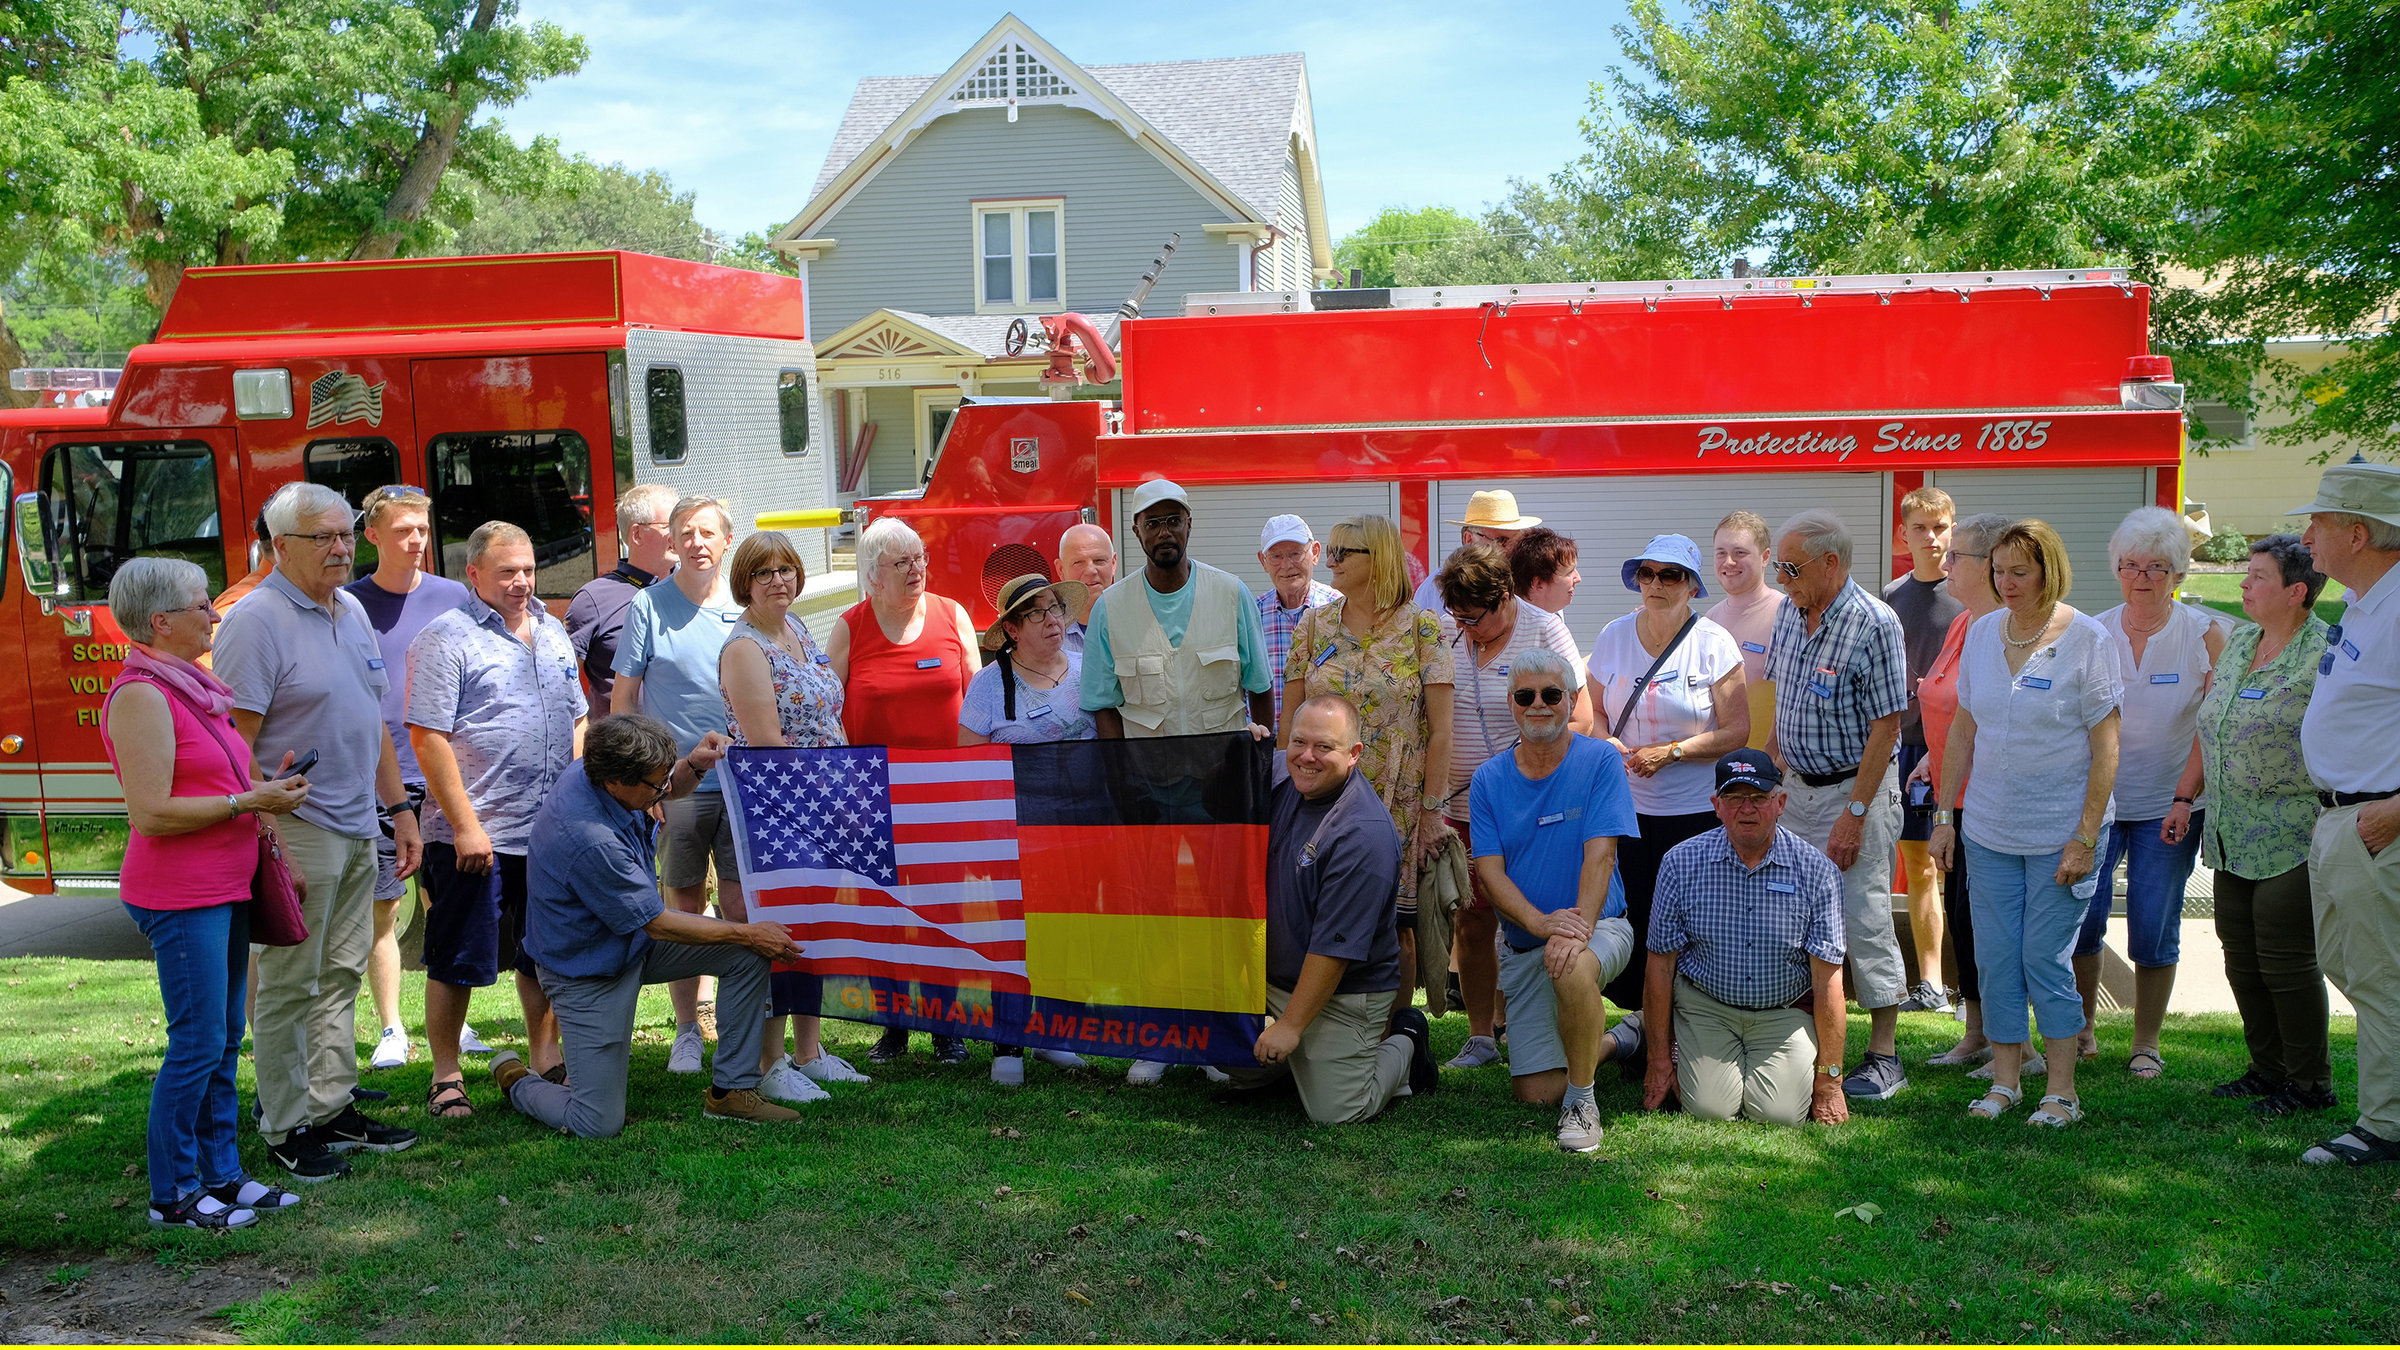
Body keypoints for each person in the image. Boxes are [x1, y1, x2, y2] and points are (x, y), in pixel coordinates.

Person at [212, 482, 422, 1182]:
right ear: (280, 547)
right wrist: (266, 838)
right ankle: (283, 1123)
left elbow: (375, 721)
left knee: (339, 977)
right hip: (296, 829)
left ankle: (331, 1107)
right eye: (324, 538)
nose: (342, 548)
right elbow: (232, 748)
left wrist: (399, 811)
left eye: (346, 533)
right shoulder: (256, 620)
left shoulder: (351, 607)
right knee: (289, 984)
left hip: (360, 824)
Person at [103, 558, 312, 1228]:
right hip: (180, 892)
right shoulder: (142, 695)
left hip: (224, 885)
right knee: (196, 1042)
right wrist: (248, 800)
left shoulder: (194, 685)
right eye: (202, 606)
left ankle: (224, 1173)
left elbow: (229, 777)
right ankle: (174, 1194)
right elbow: (152, 813)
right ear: (161, 622)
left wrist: (265, 800)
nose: (216, 615)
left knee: (223, 1039)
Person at [502, 715, 807, 1135]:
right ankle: (518, 1082)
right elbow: (659, 923)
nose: (666, 790)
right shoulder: (588, 837)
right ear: (616, 782)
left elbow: (659, 789)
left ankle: (733, 1092)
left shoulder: (598, 769)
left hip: (630, 940)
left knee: (747, 953)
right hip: (587, 970)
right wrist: (747, 930)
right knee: (595, 1122)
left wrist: (695, 765)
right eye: (657, 783)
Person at [1928, 519, 2121, 1129]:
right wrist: (1944, 815)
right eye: (1999, 571)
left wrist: (2086, 835)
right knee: (1995, 958)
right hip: (1988, 829)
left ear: (2050, 572)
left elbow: (2107, 745)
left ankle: (2061, 1091)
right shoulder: (1983, 633)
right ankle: (2006, 1081)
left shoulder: (2087, 638)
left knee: (2044, 957)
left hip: (2063, 833)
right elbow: (1963, 729)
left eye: (2020, 572)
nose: (2006, 583)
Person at [405, 522, 586, 1118]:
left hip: (550, 833)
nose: (520, 582)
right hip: (475, 833)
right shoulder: (446, 637)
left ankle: (544, 1055)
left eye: (528, 569)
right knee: (457, 956)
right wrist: (465, 825)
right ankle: (445, 1073)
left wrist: (577, 803)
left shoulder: (554, 631)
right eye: (507, 571)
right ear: (474, 574)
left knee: (545, 952)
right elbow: (427, 736)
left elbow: (578, 719)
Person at [1219, 695, 1438, 1121]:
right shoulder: (1282, 772)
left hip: (1344, 992)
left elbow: (1333, 953)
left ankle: (1407, 1040)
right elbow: (1212, 797)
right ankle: (1289, 1065)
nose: (1307, 757)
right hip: (1271, 979)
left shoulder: (1362, 834)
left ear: (1355, 754)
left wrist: (1290, 1027)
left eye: (1324, 747)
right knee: (1227, 1059)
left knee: (1336, 1110)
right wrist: (1233, 756)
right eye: (1299, 742)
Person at [1278, 515, 1454, 1030]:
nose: (1327, 562)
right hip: (1316, 794)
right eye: (1328, 552)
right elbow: (1289, 717)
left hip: (1394, 800)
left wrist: (1431, 812)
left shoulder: (1423, 628)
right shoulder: (1314, 624)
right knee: (1315, 909)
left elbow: (1441, 730)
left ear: (1377, 559)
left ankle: (1395, 1032)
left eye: (1340, 553)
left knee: (1394, 926)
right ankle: (1314, 1023)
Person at [2181, 536, 2334, 1118]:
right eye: (2245, 574)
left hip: (2295, 829)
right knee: (2240, 954)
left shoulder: (2325, 651)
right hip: (2228, 826)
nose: (2244, 584)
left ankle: (2310, 1082)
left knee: (2286, 957)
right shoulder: (2243, 640)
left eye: (2258, 576)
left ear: (2296, 591)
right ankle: (2267, 1069)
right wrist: (2184, 796)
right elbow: (2209, 726)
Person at [718, 530, 874, 1102]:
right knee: (781, 932)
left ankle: (811, 1052)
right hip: (780, 812)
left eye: (786, 569)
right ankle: (771, 1059)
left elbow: (830, 719)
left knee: (817, 929)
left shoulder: (800, 630)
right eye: (764, 573)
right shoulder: (745, 649)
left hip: (829, 804)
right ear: (746, 584)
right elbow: (766, 744)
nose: (778, 580)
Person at [2075, 506, 2230, 1078]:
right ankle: (2084, 1028)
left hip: (2172, 804)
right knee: (2083, 919)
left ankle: (2146, 1041)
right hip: (2101, 804)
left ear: (2179, 572)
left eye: (2157, 566)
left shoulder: (2207, 633)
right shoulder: (2092, 631)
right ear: (2116, 569)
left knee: (2153, 922)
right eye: (2131, 564)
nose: (2142, 576)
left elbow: (2212, 727)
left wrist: (2186, 797)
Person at [1763, 510, 1912, 1101]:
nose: (1780, 579)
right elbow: (1785, 710)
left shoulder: (1875, 623)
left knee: (1863, 916)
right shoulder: (1788, 614)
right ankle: (1806, 1032)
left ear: (1832, 563)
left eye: (1791, 567)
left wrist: (1854, 814)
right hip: (1795, 789)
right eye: (1778, 566)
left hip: (1857, 792)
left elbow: (1887, 726)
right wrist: (1770, 778)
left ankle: (1884, 1055)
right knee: (1794, 913)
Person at [1468, 649, 1642, 1153]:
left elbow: (1601, 856)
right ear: (1511, 704)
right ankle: (1619, 1039)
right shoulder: (1488, 779)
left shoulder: (1601, 759)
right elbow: (1490, 873)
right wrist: (1544, 925)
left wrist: (1576, 929)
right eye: (1526, 696)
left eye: (1551, 694)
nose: (1538, 704)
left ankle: (1583, 1102)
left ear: (1571, 699)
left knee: (1570, 967)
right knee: (1535, 1095)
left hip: (1601, 925)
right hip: (1528, 941)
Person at [828, 515, 982, 1064]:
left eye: (919, 558)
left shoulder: (953, 616)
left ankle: (945, 1027)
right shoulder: (851, 627)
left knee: (945, 908)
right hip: (872, 798)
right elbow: (827, 711)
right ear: (873, 576)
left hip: (947, 795)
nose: (916, 569)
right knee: (884, 908)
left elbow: (979, 706)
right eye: (901, 563)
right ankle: (892, 1025)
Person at [1588, 534, 1749, 1049]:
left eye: (1670, 575)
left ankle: (1689, 1025)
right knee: (1634, 913)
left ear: (1692, 587)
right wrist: (1606, 739)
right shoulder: (1613, 635)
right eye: (1647, 573)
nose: (1655, 584)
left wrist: (1673, 751)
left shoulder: (1715, 642)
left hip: (1694, 812)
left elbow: (1736, 731)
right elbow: (1590, 712)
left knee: (1691, 918)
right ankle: (1642, 1024)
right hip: (1627, 809)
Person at [1434, 545, 1590, 1069]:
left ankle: (1530, 1026)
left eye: (1474, 617)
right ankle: (1481, 1035)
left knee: (1526, 915)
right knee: (1473, 919)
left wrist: (1522, 772)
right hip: (1460, 804)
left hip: (1527, 803)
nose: (1465, 627)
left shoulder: (1545, 629)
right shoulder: (1447, 629)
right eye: (1457, 616)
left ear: (1505, 597)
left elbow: (1582, 718)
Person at [1639, 753, 1851, 1126]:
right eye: (1734, 798)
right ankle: (1638, 1036)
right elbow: (1660, 966)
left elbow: (1829, 980)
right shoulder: (1679, 863)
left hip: (1784, 1012)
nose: (1746, 809)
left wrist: (1830, 1081)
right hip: (1706, 1007)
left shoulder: (1818, 871)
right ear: (1716, 807)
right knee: (1710, 1110)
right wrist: (1658, 1061)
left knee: (1779, 1115)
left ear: (1780, 803)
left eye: (1758, 797)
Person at [344, 485, 475, 1074]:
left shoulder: (454, 596)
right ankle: (392, 1028)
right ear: (372, 535)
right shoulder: (348, 603)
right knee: (384, 907)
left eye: (422, 528)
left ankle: (456, 1019)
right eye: (403, 530)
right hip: (379, 774)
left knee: (445, 902)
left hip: (444, 768)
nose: (417, 540)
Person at [611, 494, 742, 1074]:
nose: (697, 542)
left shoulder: (748, 605)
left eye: (708, 532)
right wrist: (645, 786)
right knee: (683, 902)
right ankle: (687, 1030)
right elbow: (624, 701)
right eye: (686, 532)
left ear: (726, 541)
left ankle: (742, 1025)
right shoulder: (648, 606)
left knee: (741, 903)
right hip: (678, 788)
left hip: (745, 785)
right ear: (671, 541)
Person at [2293, 461, 2400, 1166]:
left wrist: (2394, 813)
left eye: (2319, 523)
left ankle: (2385, 1127)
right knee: (2348, 965)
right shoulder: (2368, 603)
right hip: (2342, 819)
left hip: (2376, 823)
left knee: (2381, 976)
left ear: (2356, 532)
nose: (2306, 536)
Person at [958, 571, 1100, 1085]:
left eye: (1055, 608)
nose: (1052, 620)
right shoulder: (989, 683)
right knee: (1010, 934)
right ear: (1013, 629)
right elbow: (969, 763)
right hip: (1012, 830)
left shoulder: (1090, 672)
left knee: (1065, 930)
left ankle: (1055, 1034)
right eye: (1036, 613)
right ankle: (1008, 1043)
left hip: (1079, 827)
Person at [1908, 513, 2014, 1069]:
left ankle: (2013, 1047)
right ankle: (1976, 1034)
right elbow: (1956, 707)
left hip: (1993, 805)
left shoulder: (2007, 630)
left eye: (1957, 556)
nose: (1944, 563)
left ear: (1991, 566)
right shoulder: (1963, 622)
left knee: (1996, 928)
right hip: (1957, 799)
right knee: (1965, 920)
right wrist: (1933, 753)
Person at [1084, 479, 1277, 742]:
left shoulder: (1232, 594)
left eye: (1174, 520)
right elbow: (1104, 705)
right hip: (1149, 776)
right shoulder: (1109, 609)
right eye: (1152, 524)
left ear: (1189, 524)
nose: (1164, 532)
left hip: (1224, 772)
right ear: (1136, 531)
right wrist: (1123, 775)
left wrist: (1258, 762)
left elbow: (1260, 687)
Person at [1884, 486, 1964, 1016]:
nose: (1931, 538)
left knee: (1956, 867)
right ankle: (1930, 983)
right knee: (1918, 866)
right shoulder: (1890, 596)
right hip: (1901, 745)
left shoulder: (1971, 595)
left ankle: (1967, 985)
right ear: (1903, 535)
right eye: (1920, 528)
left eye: (1940, 527)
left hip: (1955, 746)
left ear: (1952, 529)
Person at [567, 482, 679, 711]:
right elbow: (562, 682)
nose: (681, 534)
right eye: (670, 525)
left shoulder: (699, 589)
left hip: (697, 742)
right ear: (637, 533)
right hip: (625, 743)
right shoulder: (593, 599)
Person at [1706, 510, 1786, 751]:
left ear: (1765, 557)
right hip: (1720, 770)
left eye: (1739, 552)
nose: (1729, 561)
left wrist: (1774, 764)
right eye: (1721, 553)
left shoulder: (1787, 614)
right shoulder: (1710, 620)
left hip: (1769, 773)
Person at [1256, 514, 1342, 726]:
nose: (1286, 565)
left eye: (1295, 554)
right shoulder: (1252, 614)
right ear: (1263, 561)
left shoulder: (1340, 609)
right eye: (1276, 556)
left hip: (1327, 745)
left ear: (1315, 553)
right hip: (1267, 746)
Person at [1411, 489, 1539, 613]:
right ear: (1469, 539)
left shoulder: (1528, 580)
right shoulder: (1437, 586)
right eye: (1501, 540)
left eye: (1515, 542)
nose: (1509, 549)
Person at [1056, 521, 1119, 655]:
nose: (1091, 571)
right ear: (1060, 569)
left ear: (1113, 564)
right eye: (1078, 562)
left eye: (1099, 561)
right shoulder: (1044, 634)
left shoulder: (1138, 623)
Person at [1510, 526, 1582, 616]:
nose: (1578, 578)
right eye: (1569, 572)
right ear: (1538, 583)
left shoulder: (1554, 615)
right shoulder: (1509, 626)